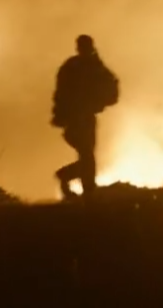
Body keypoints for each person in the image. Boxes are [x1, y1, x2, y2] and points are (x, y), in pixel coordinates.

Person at [51, 34, 119, 201]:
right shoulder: (77, 66)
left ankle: (72, 179)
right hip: (76, 118)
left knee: (87, 154)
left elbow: (110, 86)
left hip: (84, 116)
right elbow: (61, 94)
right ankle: (87, 189)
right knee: (87, 154)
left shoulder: (83, 66)